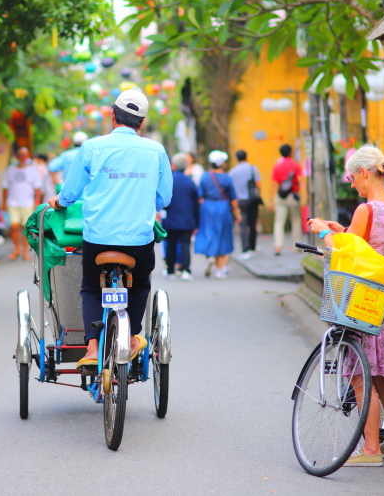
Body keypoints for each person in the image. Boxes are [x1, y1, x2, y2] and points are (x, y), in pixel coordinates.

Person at [48, 89, 172, 372]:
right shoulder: (156, 151)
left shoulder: (92, 148)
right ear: (141, 123)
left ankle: (92, 349)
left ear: (112, 116)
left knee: (91, 286)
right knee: (140, 283)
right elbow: (164, 199)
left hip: (98, 239)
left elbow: (69, 193)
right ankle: (131, 336)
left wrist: (60, 201)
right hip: (139, 241)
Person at [307, 145, 384, 467]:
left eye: (352, 177)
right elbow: (363, 246)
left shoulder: (367, 209)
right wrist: (342, 231)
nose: (352, 183)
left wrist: (323, 232)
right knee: (383, 378)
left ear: (365, 172)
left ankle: (371, 450)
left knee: (361, 376)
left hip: (362, 299)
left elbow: (347, 254)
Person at [194, 150, 240, 278]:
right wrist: (237, 212)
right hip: (223, 207)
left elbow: (200, 196)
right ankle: (220, 269)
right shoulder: (226, 177)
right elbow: (233, 198)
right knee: (223, 236)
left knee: (208, 233)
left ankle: (209, 257)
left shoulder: (205, 176)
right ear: (221, 164)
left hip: (207, 207)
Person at [1, 147, 43, 260]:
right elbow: (5, 187)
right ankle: (16, 249)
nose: (22, 158)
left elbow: (37, 188)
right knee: (14, 226)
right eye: (20, 155)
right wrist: (3, 203)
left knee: (25, 228)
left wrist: (37, 202)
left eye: (24, 155)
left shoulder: (32, 170)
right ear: (17, 156)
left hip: (27, 203)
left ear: (28, 156)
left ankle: (25, 251)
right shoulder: (10, 169)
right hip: (12, 202)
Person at [162, 152, 199, 280]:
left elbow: (164, 201)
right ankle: (185, 270)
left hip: (171, 218)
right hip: (188, 219)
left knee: (171, 244)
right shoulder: (190, 181)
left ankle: (170, 269)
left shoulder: (168, 180)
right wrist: (197, 222)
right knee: (185, 244)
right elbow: (196, 204)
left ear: (173, 165)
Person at [229, 149, 262, 259]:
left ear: (236, 158)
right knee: (252, 224)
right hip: (252, 200)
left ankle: (245, 248)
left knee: (242, 225)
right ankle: (252, 246)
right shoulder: (253, 168)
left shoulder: (232, 172)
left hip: (239, 201)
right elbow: (258, 184)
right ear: (246, 157)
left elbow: (231, 188)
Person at [271, 144, 303, 255]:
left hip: (280, 196)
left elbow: (274, 184)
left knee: (279, 222)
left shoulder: (277, 166)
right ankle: (297, 246)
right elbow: (300, 181)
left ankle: (278, 246)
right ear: (290, 152)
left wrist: (271, 200)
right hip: (293, 196)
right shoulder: (295, 165)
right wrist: (304, 196)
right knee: (296, 221)